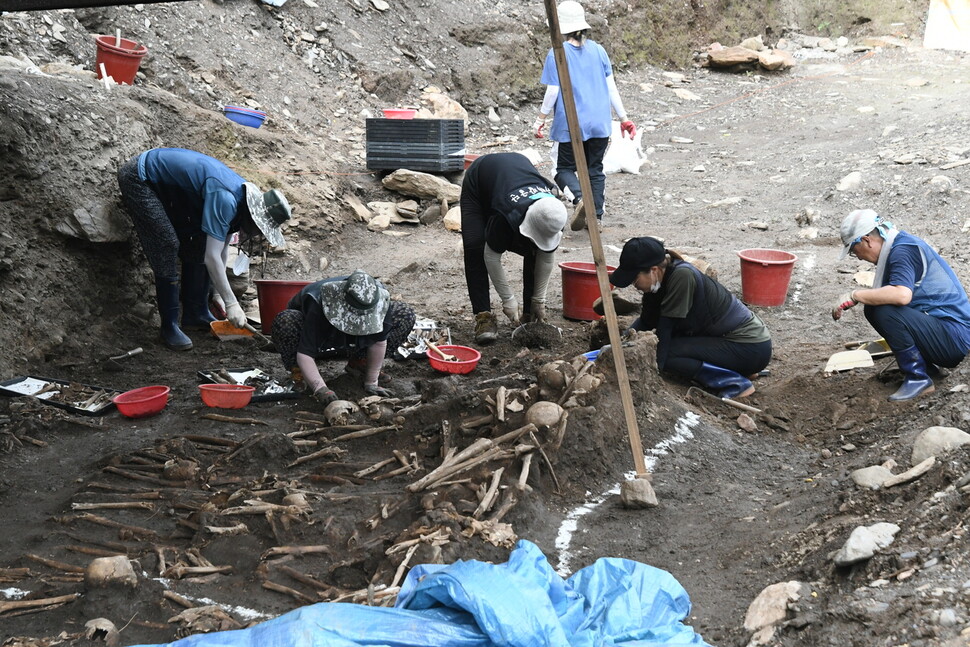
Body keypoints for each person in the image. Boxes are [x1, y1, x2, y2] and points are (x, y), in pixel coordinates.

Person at [118, 147, 290, 351]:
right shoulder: (227, 199)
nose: (256, 234)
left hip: (170, 187)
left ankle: (196, 312)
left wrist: (218, 295)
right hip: (140, 177)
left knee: (198, 241)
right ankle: (169, 326)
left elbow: (221, 251)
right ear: (253, 217)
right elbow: (212, 257)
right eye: (259, 229)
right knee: (166, 243)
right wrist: (232, 303)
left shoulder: (240, 204)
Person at [832, 209, 970, 401]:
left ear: (867, 240)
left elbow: (901, 296)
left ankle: (918, 377)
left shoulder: (903, 250)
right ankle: (926, 369)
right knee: (875, 306)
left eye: (855, 252)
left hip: (955, 339)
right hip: (947, 332)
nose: (859, 258)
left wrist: (855, 295)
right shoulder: (898, 245)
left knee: (882, 310)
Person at [609, 237, 772, 399]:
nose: (633, 285)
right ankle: (739, 370)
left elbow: (665, 329)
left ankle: (735, 383)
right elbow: (646, 321)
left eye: (634, 279)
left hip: (750, 347)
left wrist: (655, 370)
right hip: (731, 343)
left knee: (666, 353)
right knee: (668, 347)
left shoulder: (682, 276)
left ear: (653, 270)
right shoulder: (658, 282)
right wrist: (618, 345)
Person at [534, 0, 635, 231]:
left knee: (563, 169)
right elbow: (612, 88)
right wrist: (624, 118)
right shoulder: (599, 50)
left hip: (572, 123)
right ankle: (596, 216)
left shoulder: (557, 53)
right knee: (594, 169)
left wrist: (540, 119)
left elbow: (553, 90)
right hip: (600, 123)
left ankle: (580, 200)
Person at [460, 152, 568, 344]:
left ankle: (529, 314)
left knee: (535, 248)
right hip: (481, 180)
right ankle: (483, 317)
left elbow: (546, 256)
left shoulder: (554, 213)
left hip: (515, 173)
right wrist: (508, 299)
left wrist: (539, 300)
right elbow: (491, 256)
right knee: (475, 245)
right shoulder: (506, 214)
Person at [271, 270, 416, 405]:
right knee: (286, 321)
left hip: (356, 340)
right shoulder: (318, 299)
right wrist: (320, 388)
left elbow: (379, 342)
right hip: (318, 333)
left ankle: (360, 362)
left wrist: (372, 381)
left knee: (405, 313)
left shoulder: (380, 300)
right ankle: (300, 372)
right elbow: (305, 353)